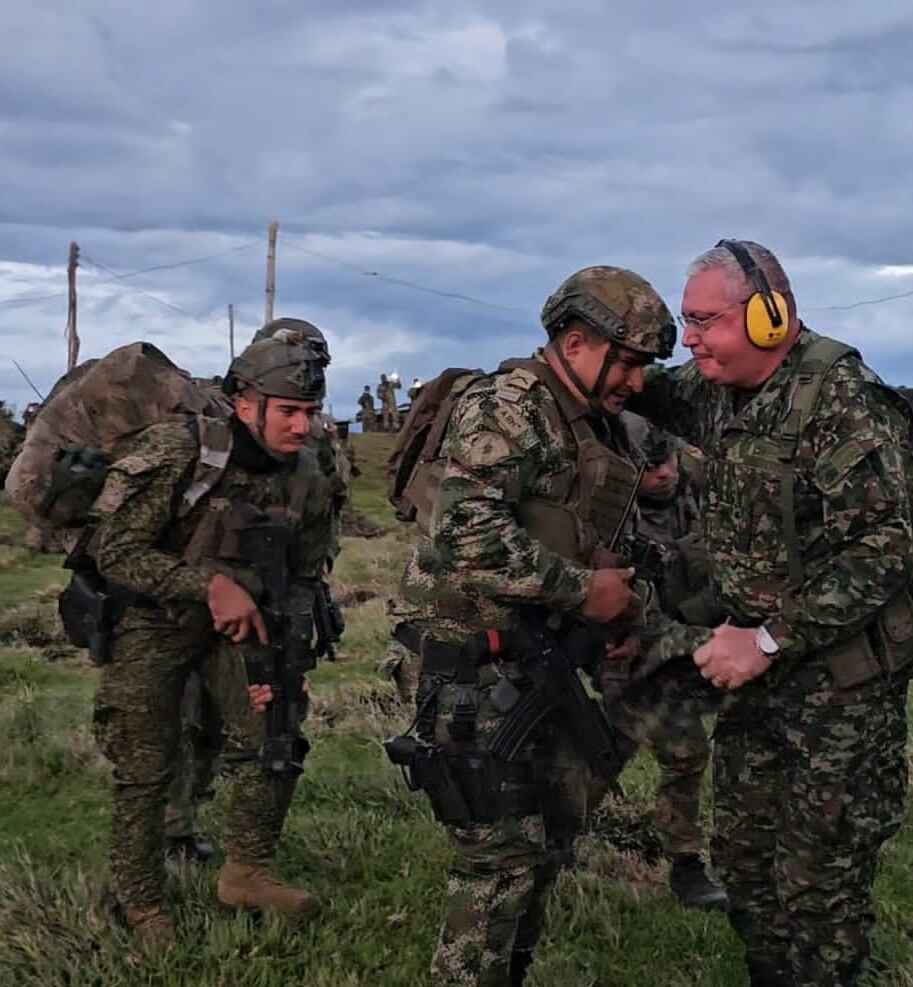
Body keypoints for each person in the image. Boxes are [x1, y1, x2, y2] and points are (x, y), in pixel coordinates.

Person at [388, 266, 706, 986]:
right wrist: (580, 590)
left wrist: (621, 602)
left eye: (643, 365)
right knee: (497, 859)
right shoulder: (507, 408)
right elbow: (464, 532)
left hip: (538, 659)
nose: (634, 380)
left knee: (546, 843)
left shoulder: (588, 425)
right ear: (572, 340)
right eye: (624, 361)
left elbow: (581, 531)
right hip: (467, 661)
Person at [630, 239, 913, 986]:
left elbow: (883, 550)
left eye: (704, 321)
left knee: (818, 888)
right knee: (749, 868)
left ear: (770, 316)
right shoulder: (715, 387)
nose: (690, 338)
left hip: (838, 687)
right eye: (685, 322)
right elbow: (639, 386)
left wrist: (766, 637)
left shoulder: (840, 399)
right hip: (757, 678)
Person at [87, 335, 336, 946]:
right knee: (147, 762)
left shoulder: (307, 473)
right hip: (153, 618)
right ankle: (140, 901)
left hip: (244, 621)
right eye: (289, 412)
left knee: (275, 732)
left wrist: (290, 656)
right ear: (245, 403)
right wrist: (207, 586)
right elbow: (113, 552)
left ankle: (246, 870)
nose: (303, 426)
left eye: (310, 412)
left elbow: (304, 575)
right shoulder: (182, 450)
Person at [164, 317, 346, 865]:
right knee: (187, 714)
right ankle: (171, 830)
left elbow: (322, 513)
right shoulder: (212, 433)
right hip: (195, 596)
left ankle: (232, 842)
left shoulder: (315, 439)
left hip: (278, 585)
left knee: (253, 713)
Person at [607, 413, 726, 909]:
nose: (665, 473)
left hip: (695, 638)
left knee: (690, 752)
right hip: (635, 646)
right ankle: (555, 838)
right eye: (652, 466)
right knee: (609, 755)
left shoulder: (701, 486)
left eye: (669, 460)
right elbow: (629, 617)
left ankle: (687, 862)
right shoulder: (613, 518)